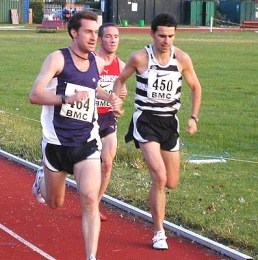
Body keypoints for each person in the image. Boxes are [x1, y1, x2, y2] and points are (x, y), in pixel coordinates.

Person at [29, 11, 123, 260]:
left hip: (86, 142)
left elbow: (93, 86)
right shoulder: (57, 59)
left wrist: (110, 97)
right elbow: (35, 95)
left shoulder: (97, 62)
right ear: (74, 32)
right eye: (89, 32)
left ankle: (91, 257)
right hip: (56, 143)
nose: (95, 37)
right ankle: (41, 178)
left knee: (91, 198)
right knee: (54, 203)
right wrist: (65, 99)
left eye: (96, 32)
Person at [113, 12, 202, 250]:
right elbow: (120, 80)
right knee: (159, 177)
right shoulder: (140, 58)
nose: (166, 40)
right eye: (162, 35)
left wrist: (193, 117)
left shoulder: (182, 59)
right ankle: (159, 232)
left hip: (169, 123)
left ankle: (157, 198)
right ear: (152, 33)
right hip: (145, 121)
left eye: (171, 36)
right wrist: (117, 100)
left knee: (171, 182)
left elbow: (196, 87)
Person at [95, 23, 127, 221]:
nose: (113, 40)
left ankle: (94, 205)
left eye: (116, 36)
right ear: (100, 40)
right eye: (108, 36)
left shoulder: (122, 65)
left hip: (108, 118)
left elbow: (122, 92)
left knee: (107, 164)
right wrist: (110, 95)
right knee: (74, 162)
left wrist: (119, 101)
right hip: (87, 117)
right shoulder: (91, 61)